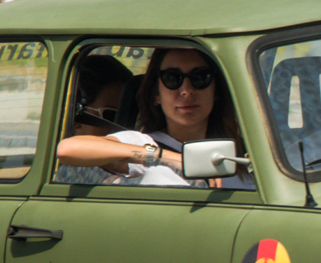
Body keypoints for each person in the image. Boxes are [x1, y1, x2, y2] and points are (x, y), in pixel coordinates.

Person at [54, 46, 254, 189]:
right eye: (172, 79)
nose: (186, 90)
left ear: (216, 89)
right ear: (156, 94)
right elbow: (68, 149)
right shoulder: (145, 143)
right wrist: (167, 157)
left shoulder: (247, 150)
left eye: (200, 77)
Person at [54, 54, 136, 185]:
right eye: (112, 116)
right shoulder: (76, 173)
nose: (125, 128)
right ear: (76, 118)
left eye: (130, 115)